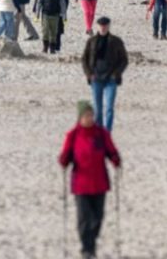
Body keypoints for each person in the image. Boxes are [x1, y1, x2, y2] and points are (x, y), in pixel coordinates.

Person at [58, 101, 121, 258]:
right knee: (84, 219)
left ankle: (91, 244)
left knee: (98, 218)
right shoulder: (73, 136)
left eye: (91, 115)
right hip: (81, 184)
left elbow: (111, 150)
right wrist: (64, 160)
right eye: (86, 115)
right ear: (80, 118)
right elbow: (64, 157)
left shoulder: (101, 134)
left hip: (100, 182)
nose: (89, 118)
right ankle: (87, 249)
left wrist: (115, 159)